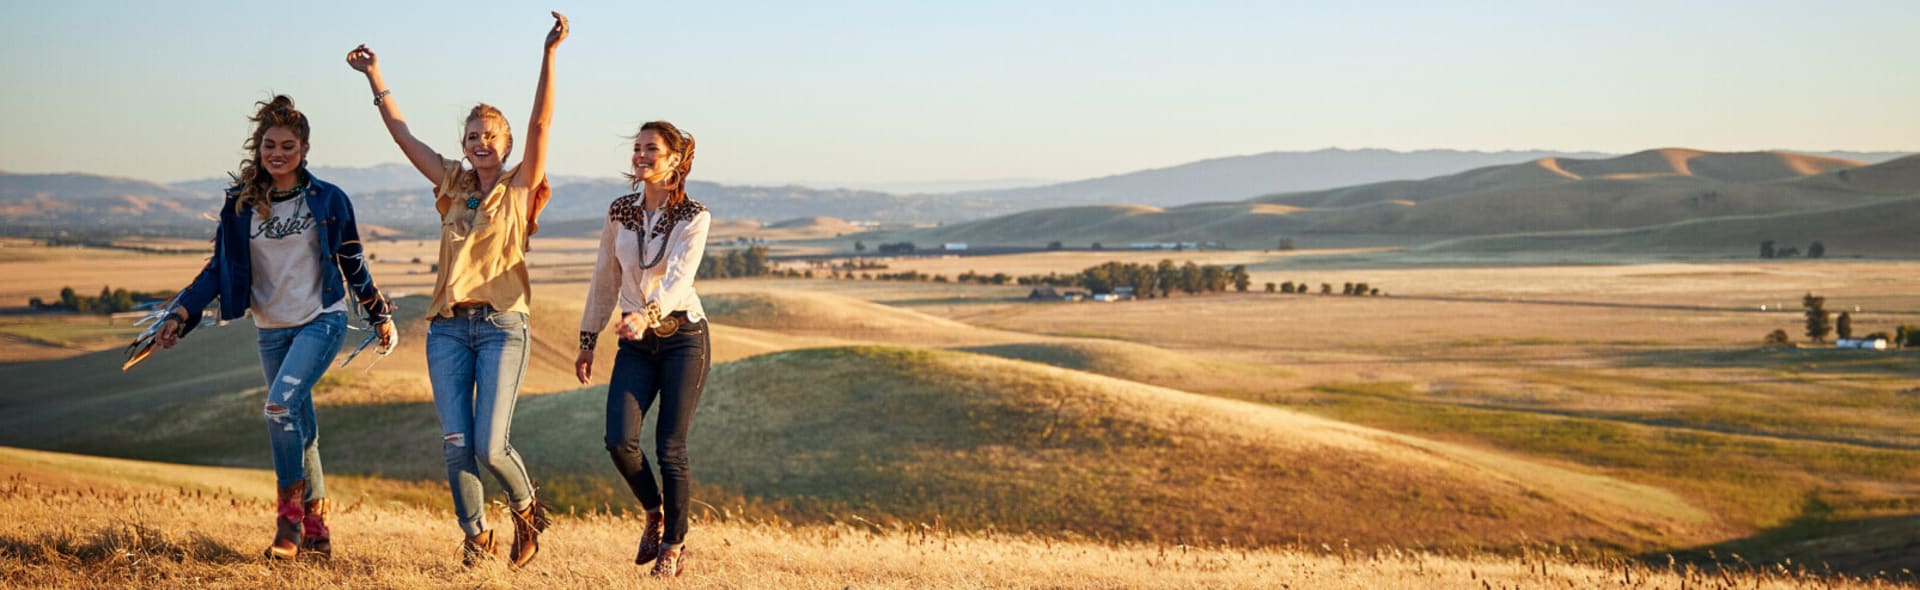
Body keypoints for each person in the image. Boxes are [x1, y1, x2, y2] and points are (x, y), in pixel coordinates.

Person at [345, 11, 566, 568]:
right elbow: (402, 135)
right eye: (473, 136)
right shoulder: (451, 183)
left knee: (491, 446)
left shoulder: (520, 188)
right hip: (446, 328)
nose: (481, 142)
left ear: (507, 143)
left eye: (491, 135)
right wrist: (375, 77)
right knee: (454, 444)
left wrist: (549, 54)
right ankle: (475, 538)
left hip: (500, 327)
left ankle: (526, 508)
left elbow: (542, 125)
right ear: (464, 145)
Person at [154, 95, 397, 561]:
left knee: (279, 408)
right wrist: (181, 313)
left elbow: (352, 261)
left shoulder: (327, 199)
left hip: (320, 320)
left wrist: (378, 312)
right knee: (300, 424)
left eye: (288, 145)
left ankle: (288, 527)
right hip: (271, 330)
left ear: (304, 149)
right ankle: (318, 534)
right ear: (258, 147)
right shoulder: (241, 205)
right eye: (269, 144)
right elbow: (216, 270)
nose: (277, 153)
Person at [575, 121, 711, 578]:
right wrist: (588, 339)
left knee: (670, 446)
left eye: (651, 149)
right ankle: (653, 511)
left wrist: (646, 315)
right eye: (636, 148)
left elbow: (678, 281)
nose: (640, 156)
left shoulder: (695, 215)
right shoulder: (619, 211)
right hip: (635, 343)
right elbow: (604, 279)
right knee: (619, 440)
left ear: (675, 159)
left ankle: (673, 543)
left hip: (683, 339)